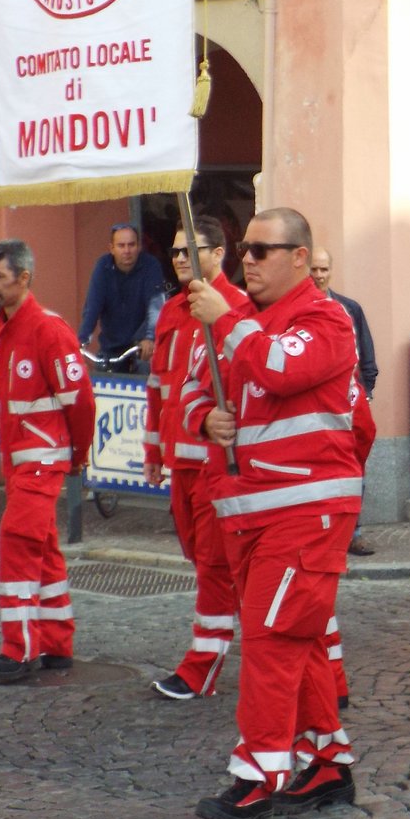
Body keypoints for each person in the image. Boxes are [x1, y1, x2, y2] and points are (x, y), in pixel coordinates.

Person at [185, 208, 363, 819]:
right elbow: (193, 392)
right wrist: (204, 420)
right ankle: (328, 763)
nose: (249, 262)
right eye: (245, 252)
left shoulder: (326, 319)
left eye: (262, 251)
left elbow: (282, 369)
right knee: (301, 639)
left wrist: (228, 321)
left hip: (302, 512)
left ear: (299, 256)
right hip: (247, 511)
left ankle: (257, 775)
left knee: (270, 640)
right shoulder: (236, 323)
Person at [145, 217, 250, 700]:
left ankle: (201, 666)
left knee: (214, 564)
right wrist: (153, 450)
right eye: (174, 253)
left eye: (191, 250)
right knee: (202, 559)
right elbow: (158, 390)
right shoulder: (170, 313)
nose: (181, 258)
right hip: (181, 466)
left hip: (218, 467)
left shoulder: (237, 310)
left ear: (218, 253)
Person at [0, 241, 94, 684]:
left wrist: (77, 457)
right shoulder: (3, 330)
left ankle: (20, 650)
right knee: (43, 551)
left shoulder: (47, 330)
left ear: (23, 279)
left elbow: (80, 403)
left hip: (42, 462)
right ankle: (56, 643)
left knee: (18, 545)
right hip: (26, 462)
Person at [309, 247, 379, 556]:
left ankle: (354, 531)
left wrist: (365, 391)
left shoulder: (350, 308)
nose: (319, 276)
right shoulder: (296, 311)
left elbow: (367, 356)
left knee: (353, 469)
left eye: (324, 269)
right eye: (314, 270)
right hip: (316, 410)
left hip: (351, 406)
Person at [78, 222, 164, 365]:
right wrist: (82, 341)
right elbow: (92, 307)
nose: (127, 250)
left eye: (131, 245)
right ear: (111, 248)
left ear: (139, 247)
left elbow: (155, 305)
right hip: (110, 347)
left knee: (145, 378)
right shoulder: (103, 267)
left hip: (140, 348)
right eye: (121, 245)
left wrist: (149, 337)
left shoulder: (150, 266)